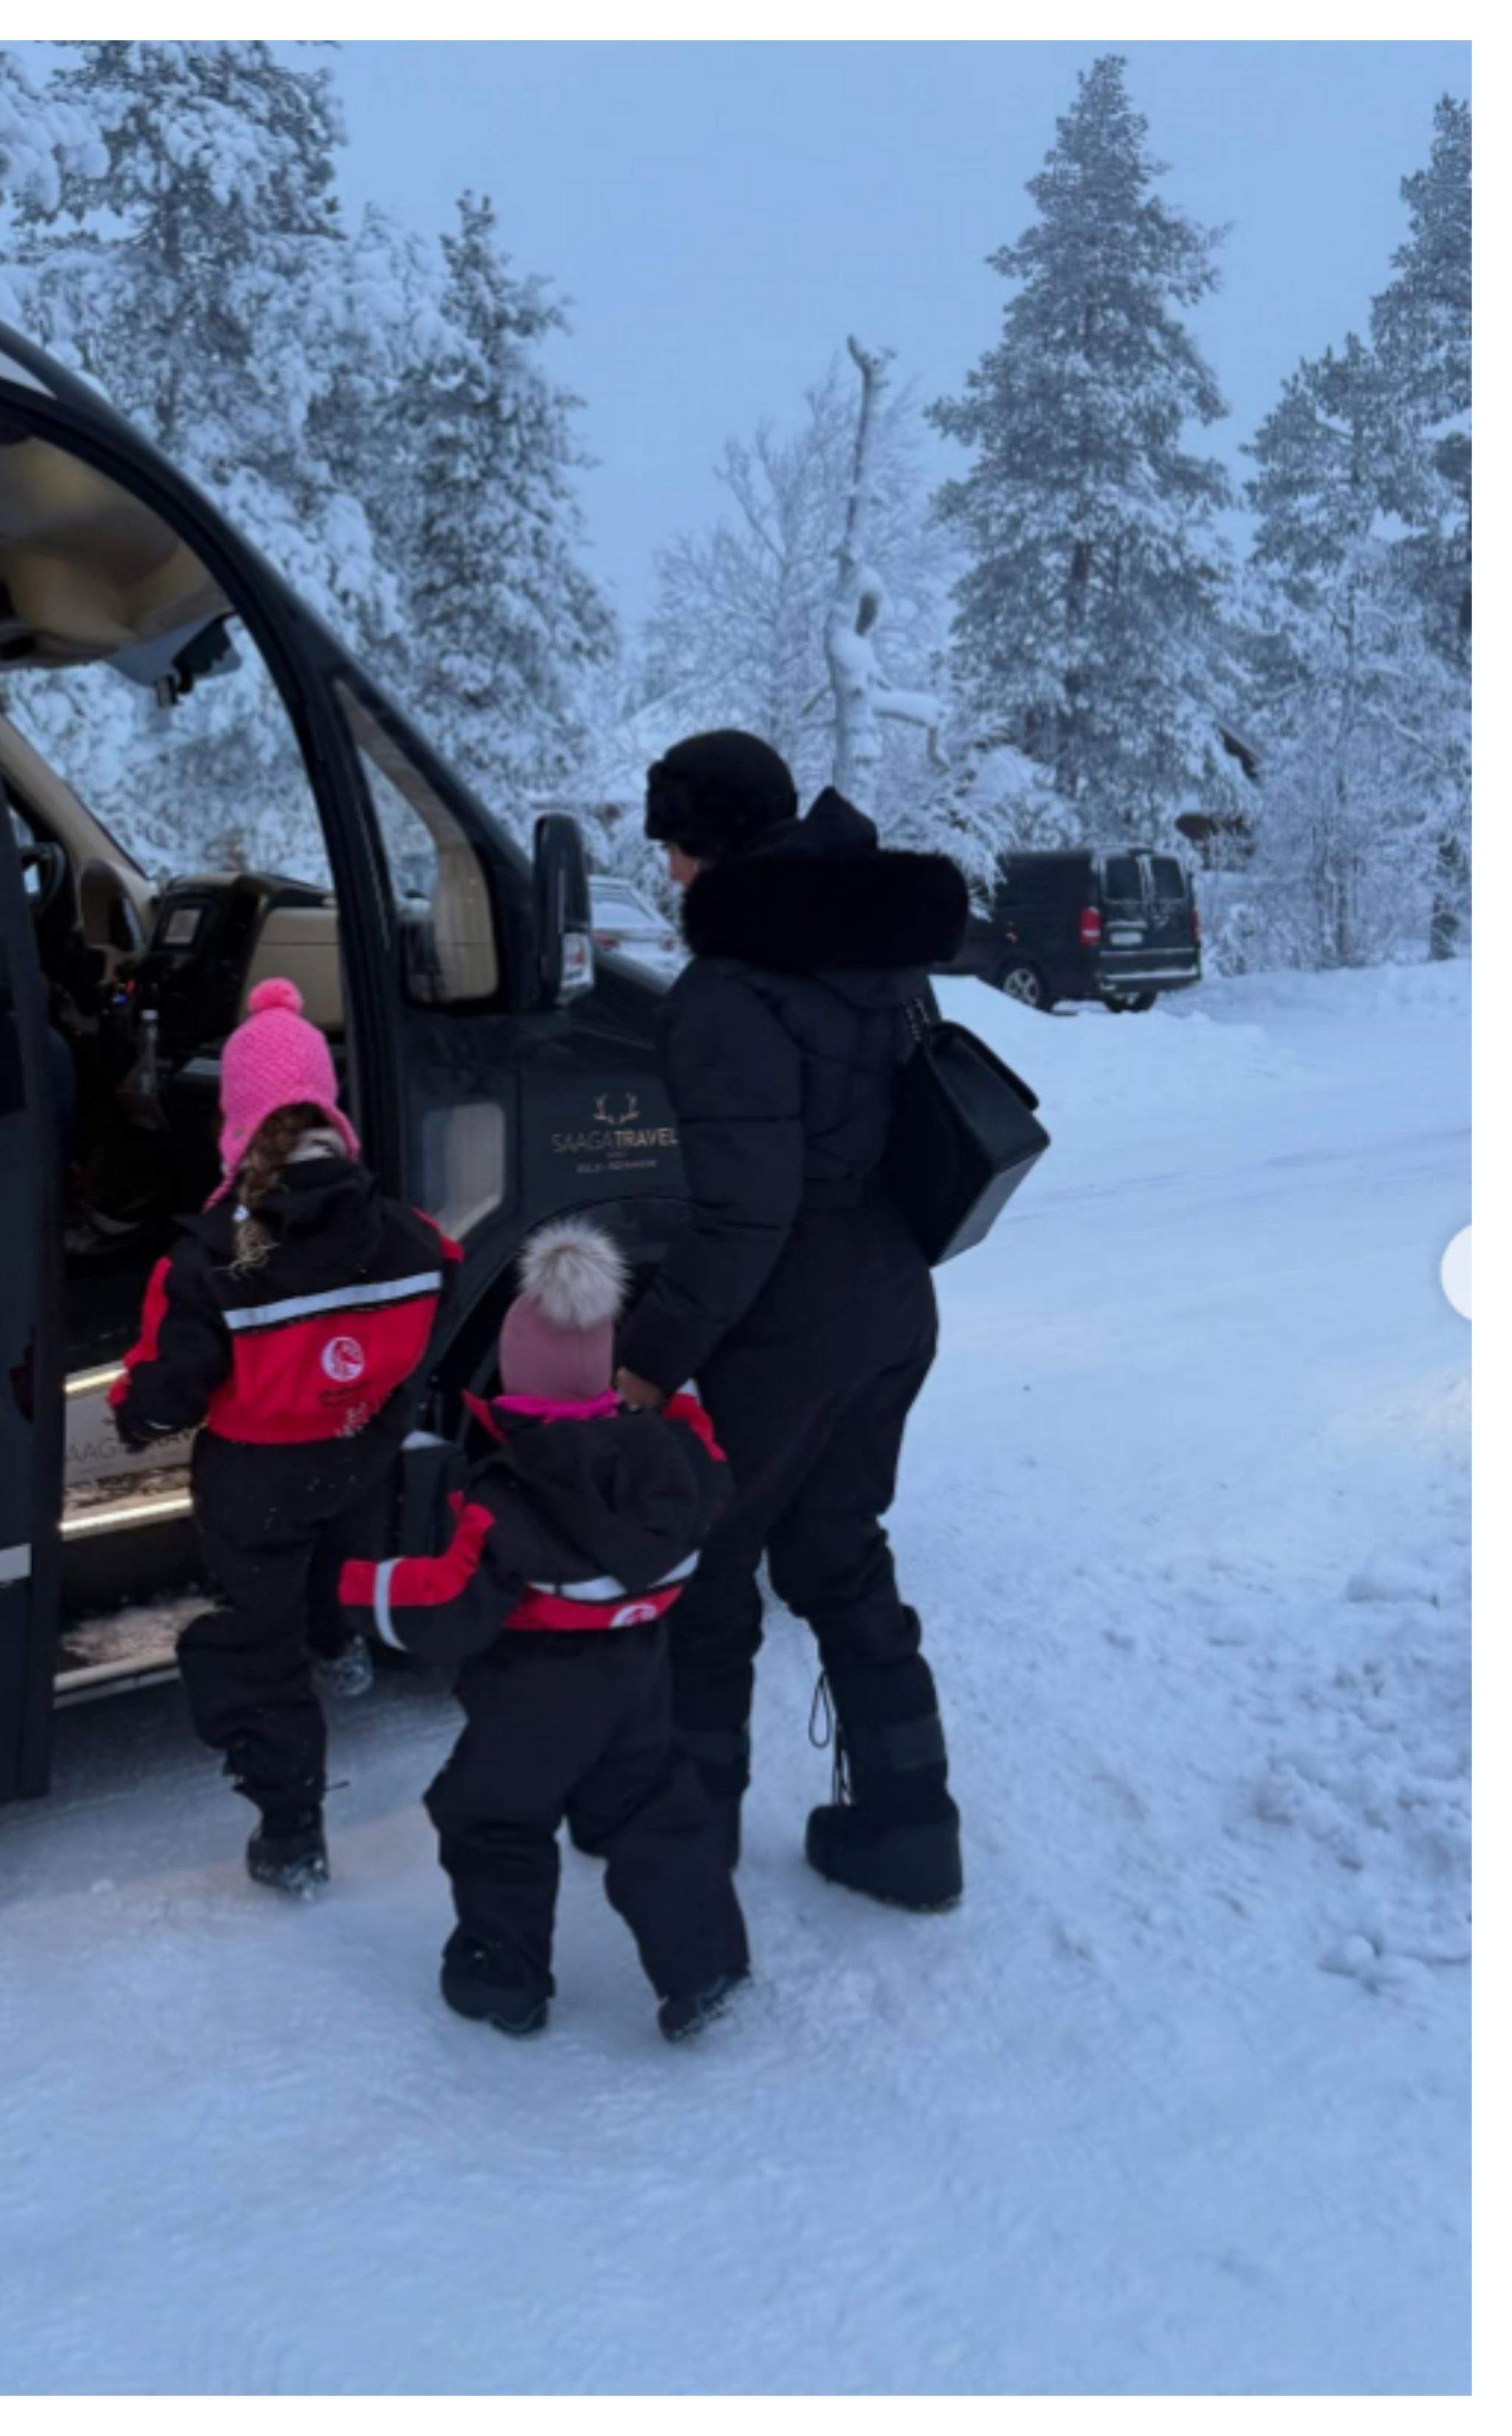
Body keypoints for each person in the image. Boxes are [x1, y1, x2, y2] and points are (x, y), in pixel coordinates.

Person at [610, 730, 972, 1911]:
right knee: (838, 1555)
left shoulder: (728, 996)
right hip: (889, 1299)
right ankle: (911, 1832)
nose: (665, 872)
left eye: (670, 845)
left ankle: (684, 1872)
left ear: (703, 844)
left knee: (708, 1582)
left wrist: (651, 1360)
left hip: (785, 1326)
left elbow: (743, 1218)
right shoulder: (867, 949)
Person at [341, 1219, 750, 2043]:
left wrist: (353, 1589)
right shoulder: (673, 1466)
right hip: (637, 1683)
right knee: (652, 1815)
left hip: (531, 1701)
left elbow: (449, 1605)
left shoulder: (507, 1496)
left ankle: (505, 1979)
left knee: (491, 1820)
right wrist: (671, 1404)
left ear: (513, 1388)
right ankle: (703, 1965)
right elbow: (706, 1454)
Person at [110, 977, 457, 1894]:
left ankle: (292, 1828)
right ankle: (340, 1641)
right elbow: (439, 1296)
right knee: (341, 1546)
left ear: (236, 1120)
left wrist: (131, 1414)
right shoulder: (409, 1235)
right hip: (357, 1451)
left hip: (253, 1479)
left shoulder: (214, 1258)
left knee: (255, 1643)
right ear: (327, 1113)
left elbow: (167, 1385)